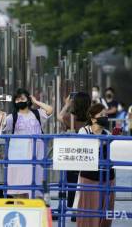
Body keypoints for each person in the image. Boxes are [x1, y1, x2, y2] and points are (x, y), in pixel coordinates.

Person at [0, 88, 53, 199]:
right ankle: (21, 207)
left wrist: (36, 102)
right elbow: (0, 126)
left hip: (37, 154)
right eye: (17, 100)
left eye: (22, 98)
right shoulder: (12, 117)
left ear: (28, 100)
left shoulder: (37, 113)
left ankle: (37, 208)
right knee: (19, 184)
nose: (20, 101)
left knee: (37, 181)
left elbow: (50, 110)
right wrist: (1, 116)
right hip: (19, 156)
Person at [76, 103, 115, 227]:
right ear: (93, 118)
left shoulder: (108, 133)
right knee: (88, 207)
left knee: (105, 208)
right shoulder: (84, 131)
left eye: (105, 115)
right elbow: (81, 150)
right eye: (101, 115)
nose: (104, 117)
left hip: (107, 176)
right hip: (89, 176)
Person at [57, 92, 91, 222]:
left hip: (72, 154)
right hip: (87, 153)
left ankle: (73, 210)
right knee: (85, 182)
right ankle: (83, 209)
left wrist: (66, 104)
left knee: (71, 182)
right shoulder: (90, 118)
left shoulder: (70, 117)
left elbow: (59, 116)